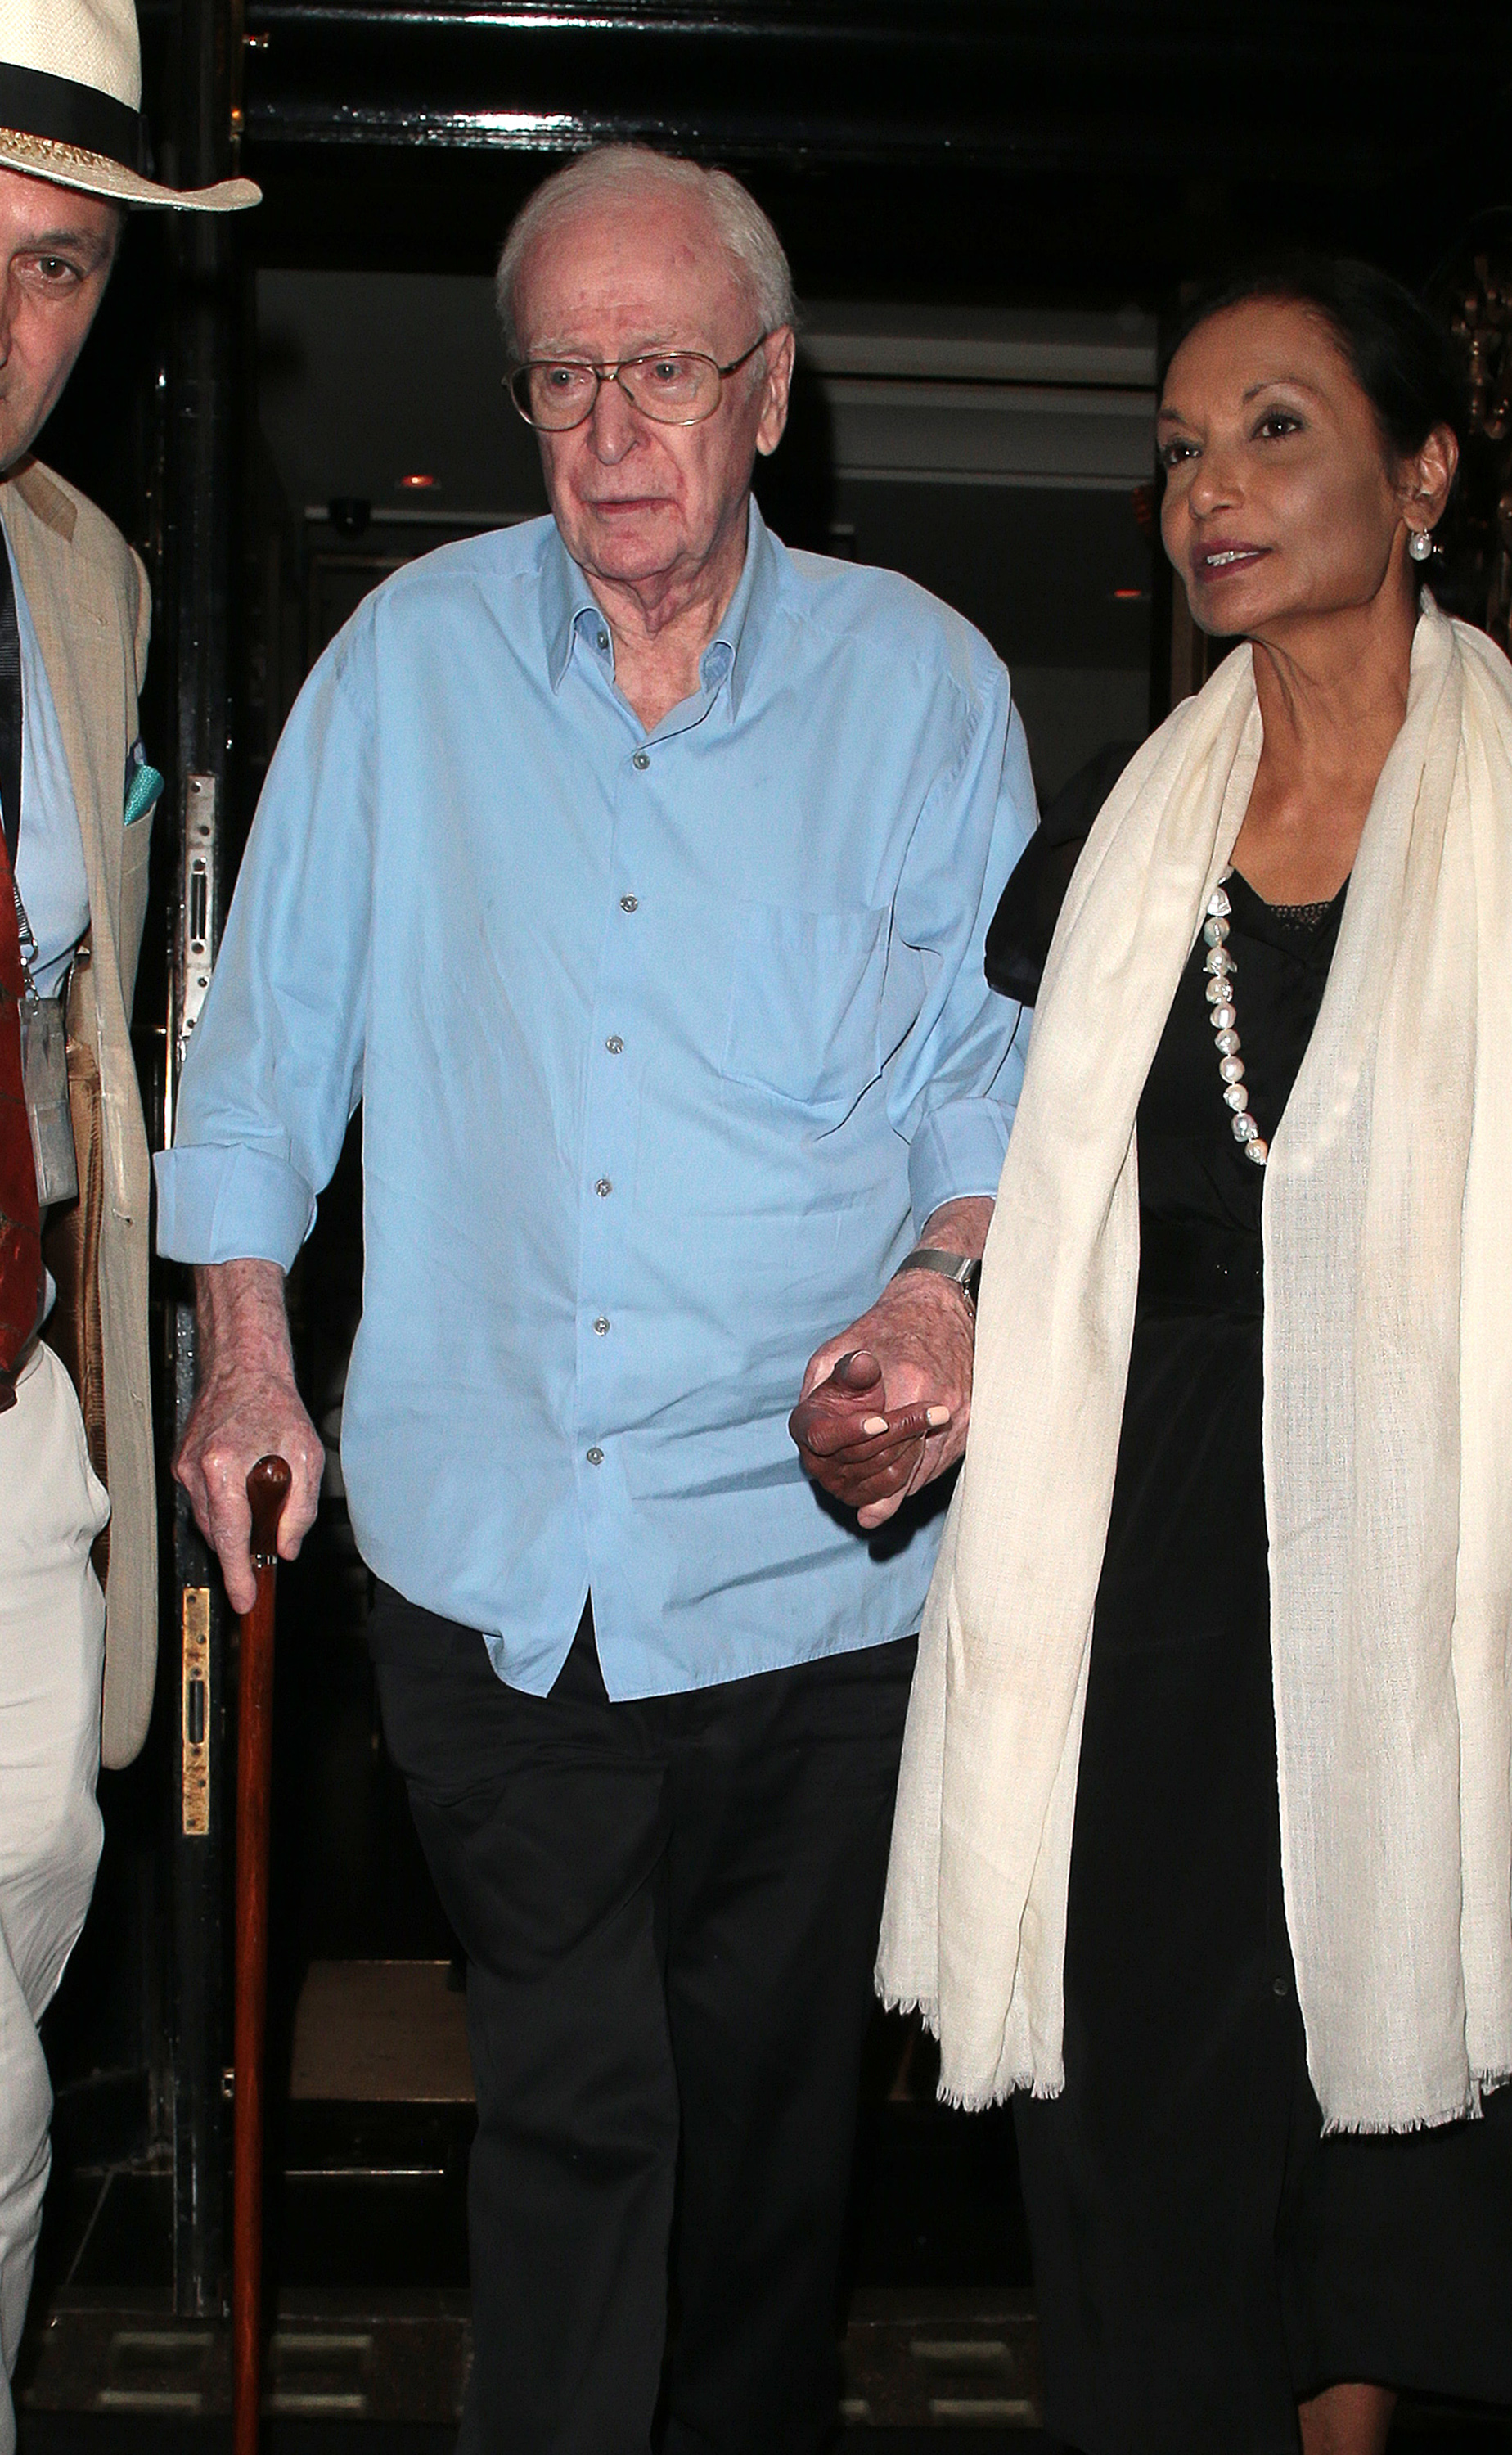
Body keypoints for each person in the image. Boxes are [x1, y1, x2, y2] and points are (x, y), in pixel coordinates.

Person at [155, 144, 1034, 2455]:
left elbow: (985, 1077)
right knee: (579, 2112)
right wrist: (246, 1342)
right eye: (562, 379)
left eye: (660, 372)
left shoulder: (925, 691)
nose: (609, 436)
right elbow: (265, 1058)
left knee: (764, 2151)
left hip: (814, 1570)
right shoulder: (409, 670)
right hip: (491, 1559)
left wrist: (947, 1294)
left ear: (769, 386)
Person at [871, 259, 1512, 2455]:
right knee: (1160, 2140)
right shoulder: (1118, 834)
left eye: (1273, 427)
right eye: (1178, 446)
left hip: (1447, 1565)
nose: (1209, 488)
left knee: (1394, 2168)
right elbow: (1037, 1211)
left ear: (1423, 467)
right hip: (1149, 1583)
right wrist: (923, 1340)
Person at [0, 7, 257, 2444]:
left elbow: (91, 1029)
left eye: (58, 266)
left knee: (10, 2008)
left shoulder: (82, 571)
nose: (9, 321)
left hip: (16, 1413)